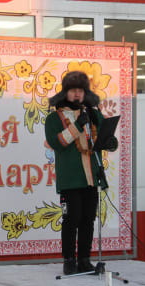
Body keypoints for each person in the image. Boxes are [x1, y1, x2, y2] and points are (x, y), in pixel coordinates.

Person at [45, 71, 118, 275]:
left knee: (87, 219)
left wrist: (109, 140)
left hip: (91, 177)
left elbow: (103, 139)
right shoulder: (54, 118)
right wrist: (78, 125)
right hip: (70, 180)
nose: (77, 95)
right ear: (65, 93)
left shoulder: (93, 114)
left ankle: (85, 259)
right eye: (73, 91)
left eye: (81, 91)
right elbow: (57, 143)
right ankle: (69, 260)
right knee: (72, 219)